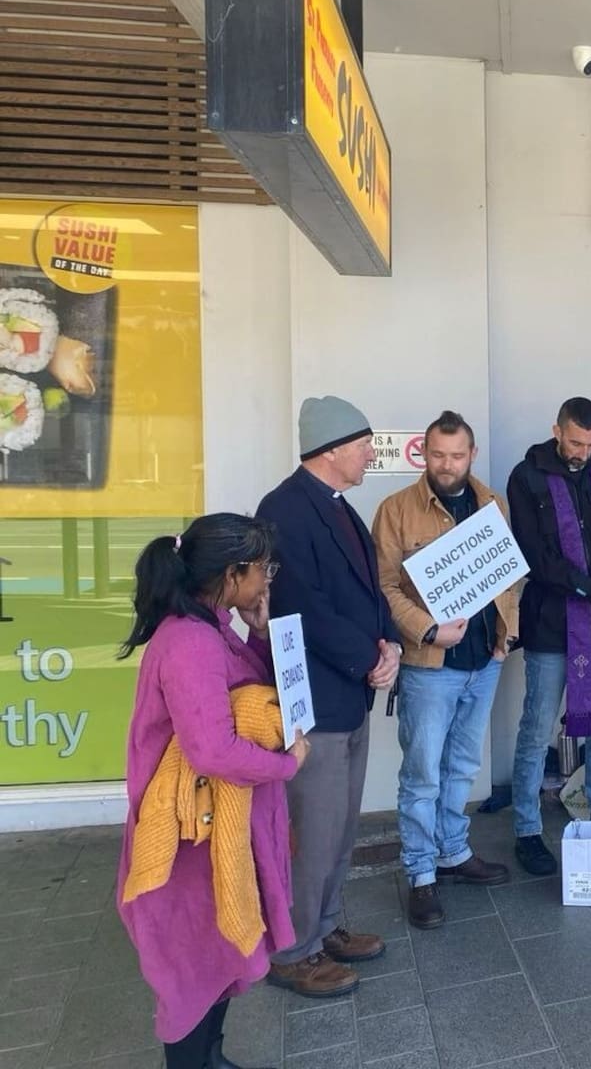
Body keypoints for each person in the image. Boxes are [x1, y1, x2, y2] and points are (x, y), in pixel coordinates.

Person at [117, 515, 309, 1069]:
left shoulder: (212, 624)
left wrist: (260, 627)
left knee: (217, 958)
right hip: (188, 843)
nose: (268, 580)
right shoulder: (189, 642)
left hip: (213, 825)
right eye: (262, 570)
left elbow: (249, 685)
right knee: (192, 971)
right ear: (232, 574)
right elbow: (212, 750)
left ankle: (212, 1058)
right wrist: (286, 764)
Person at [258, 396, 398, 995]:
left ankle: (326, 925)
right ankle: (292, 951)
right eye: (365, 443)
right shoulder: (284, 510)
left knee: (340, 825)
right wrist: (369, 656)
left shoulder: (338, 505)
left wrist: (388, 641)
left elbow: (368, 592)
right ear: (333, 449)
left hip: (350, 694)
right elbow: (302, 607)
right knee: (312, 829)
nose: (372, 452)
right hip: (316, 701)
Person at [372, 410, 516, 930]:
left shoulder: (491, 503)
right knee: (422, 775)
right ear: (424, 454)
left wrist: (507, 637)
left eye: (457, 455)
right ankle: (420, 874)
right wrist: (427, 629)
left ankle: (453, 852)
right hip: (430, 665)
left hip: (484, 662)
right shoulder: (396, 511)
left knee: (461, 768)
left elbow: (508, 575)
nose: (447, 465)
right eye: (438, 455)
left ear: (471, 454)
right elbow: (384, 588)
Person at [506, 397, 591, 875]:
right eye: (576, 442)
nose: (583, 452)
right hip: (550, 622)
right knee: (536, 728)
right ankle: (527, 829)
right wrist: (589, 586)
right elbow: (531, 552)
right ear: (556, 431)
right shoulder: (527, 477)